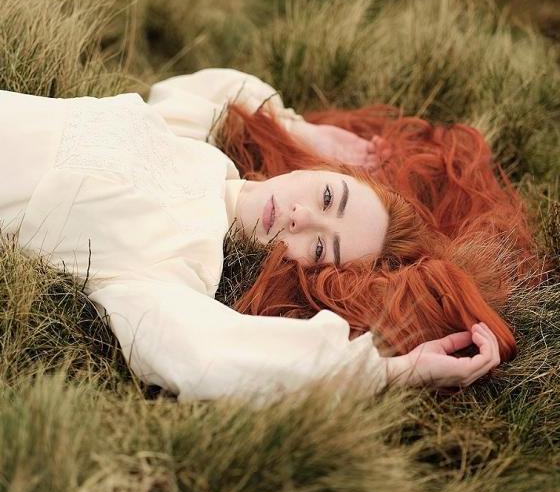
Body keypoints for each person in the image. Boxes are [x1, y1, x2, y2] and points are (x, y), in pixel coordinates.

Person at [0, 69, 507, 405]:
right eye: (328, 197)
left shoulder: (181, 263)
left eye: (319, 246)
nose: (299, 217)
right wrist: (299, 128)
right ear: (316, 170)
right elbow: (212, 89)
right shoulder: (189, 145)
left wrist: (389, 371)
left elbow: (207, 355)